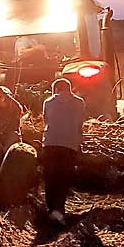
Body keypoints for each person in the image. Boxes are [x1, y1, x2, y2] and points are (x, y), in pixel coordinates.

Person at [41, 78, 86, 225]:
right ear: (70, 89)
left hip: (50, 144)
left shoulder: (48, 102)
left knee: (50, 176)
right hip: (70, 145)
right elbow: (80, 124)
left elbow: (46, 121)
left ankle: (51, 209)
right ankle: (59, 209)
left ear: (56, 90)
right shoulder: (80, 103)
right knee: (63, 177)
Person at [0, 85, 27, 156]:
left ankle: (4, 155)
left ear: (3, 98)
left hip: (8, 135)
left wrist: (0, 138)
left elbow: (14, 126)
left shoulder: (15, 109)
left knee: (13, 135)